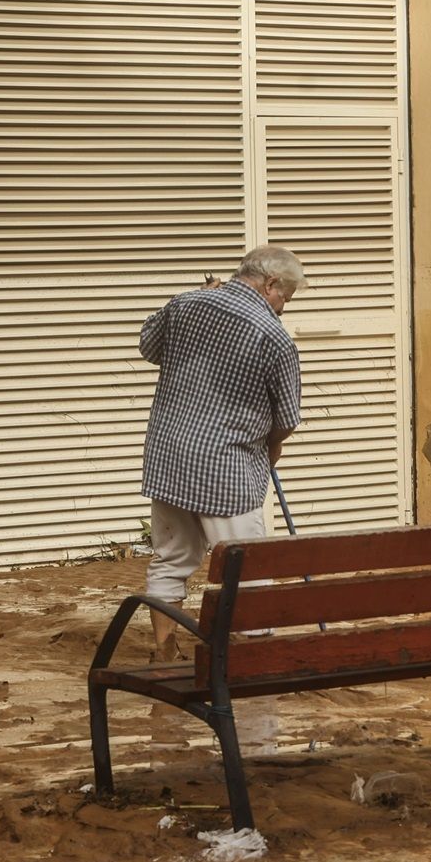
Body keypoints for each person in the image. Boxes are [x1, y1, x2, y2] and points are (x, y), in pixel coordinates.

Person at [138, 245, 306, 663]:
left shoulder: (185, 303)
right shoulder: (274, 336)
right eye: (285, 298)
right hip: (226, 468)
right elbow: (286, 415)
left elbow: (148, 347)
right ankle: (249, 659)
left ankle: (164, 651)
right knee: (248, 571)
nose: (283, 308)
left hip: (170, 457)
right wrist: (273, 446)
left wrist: (195, 298)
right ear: (270, 285)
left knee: (171, 559)